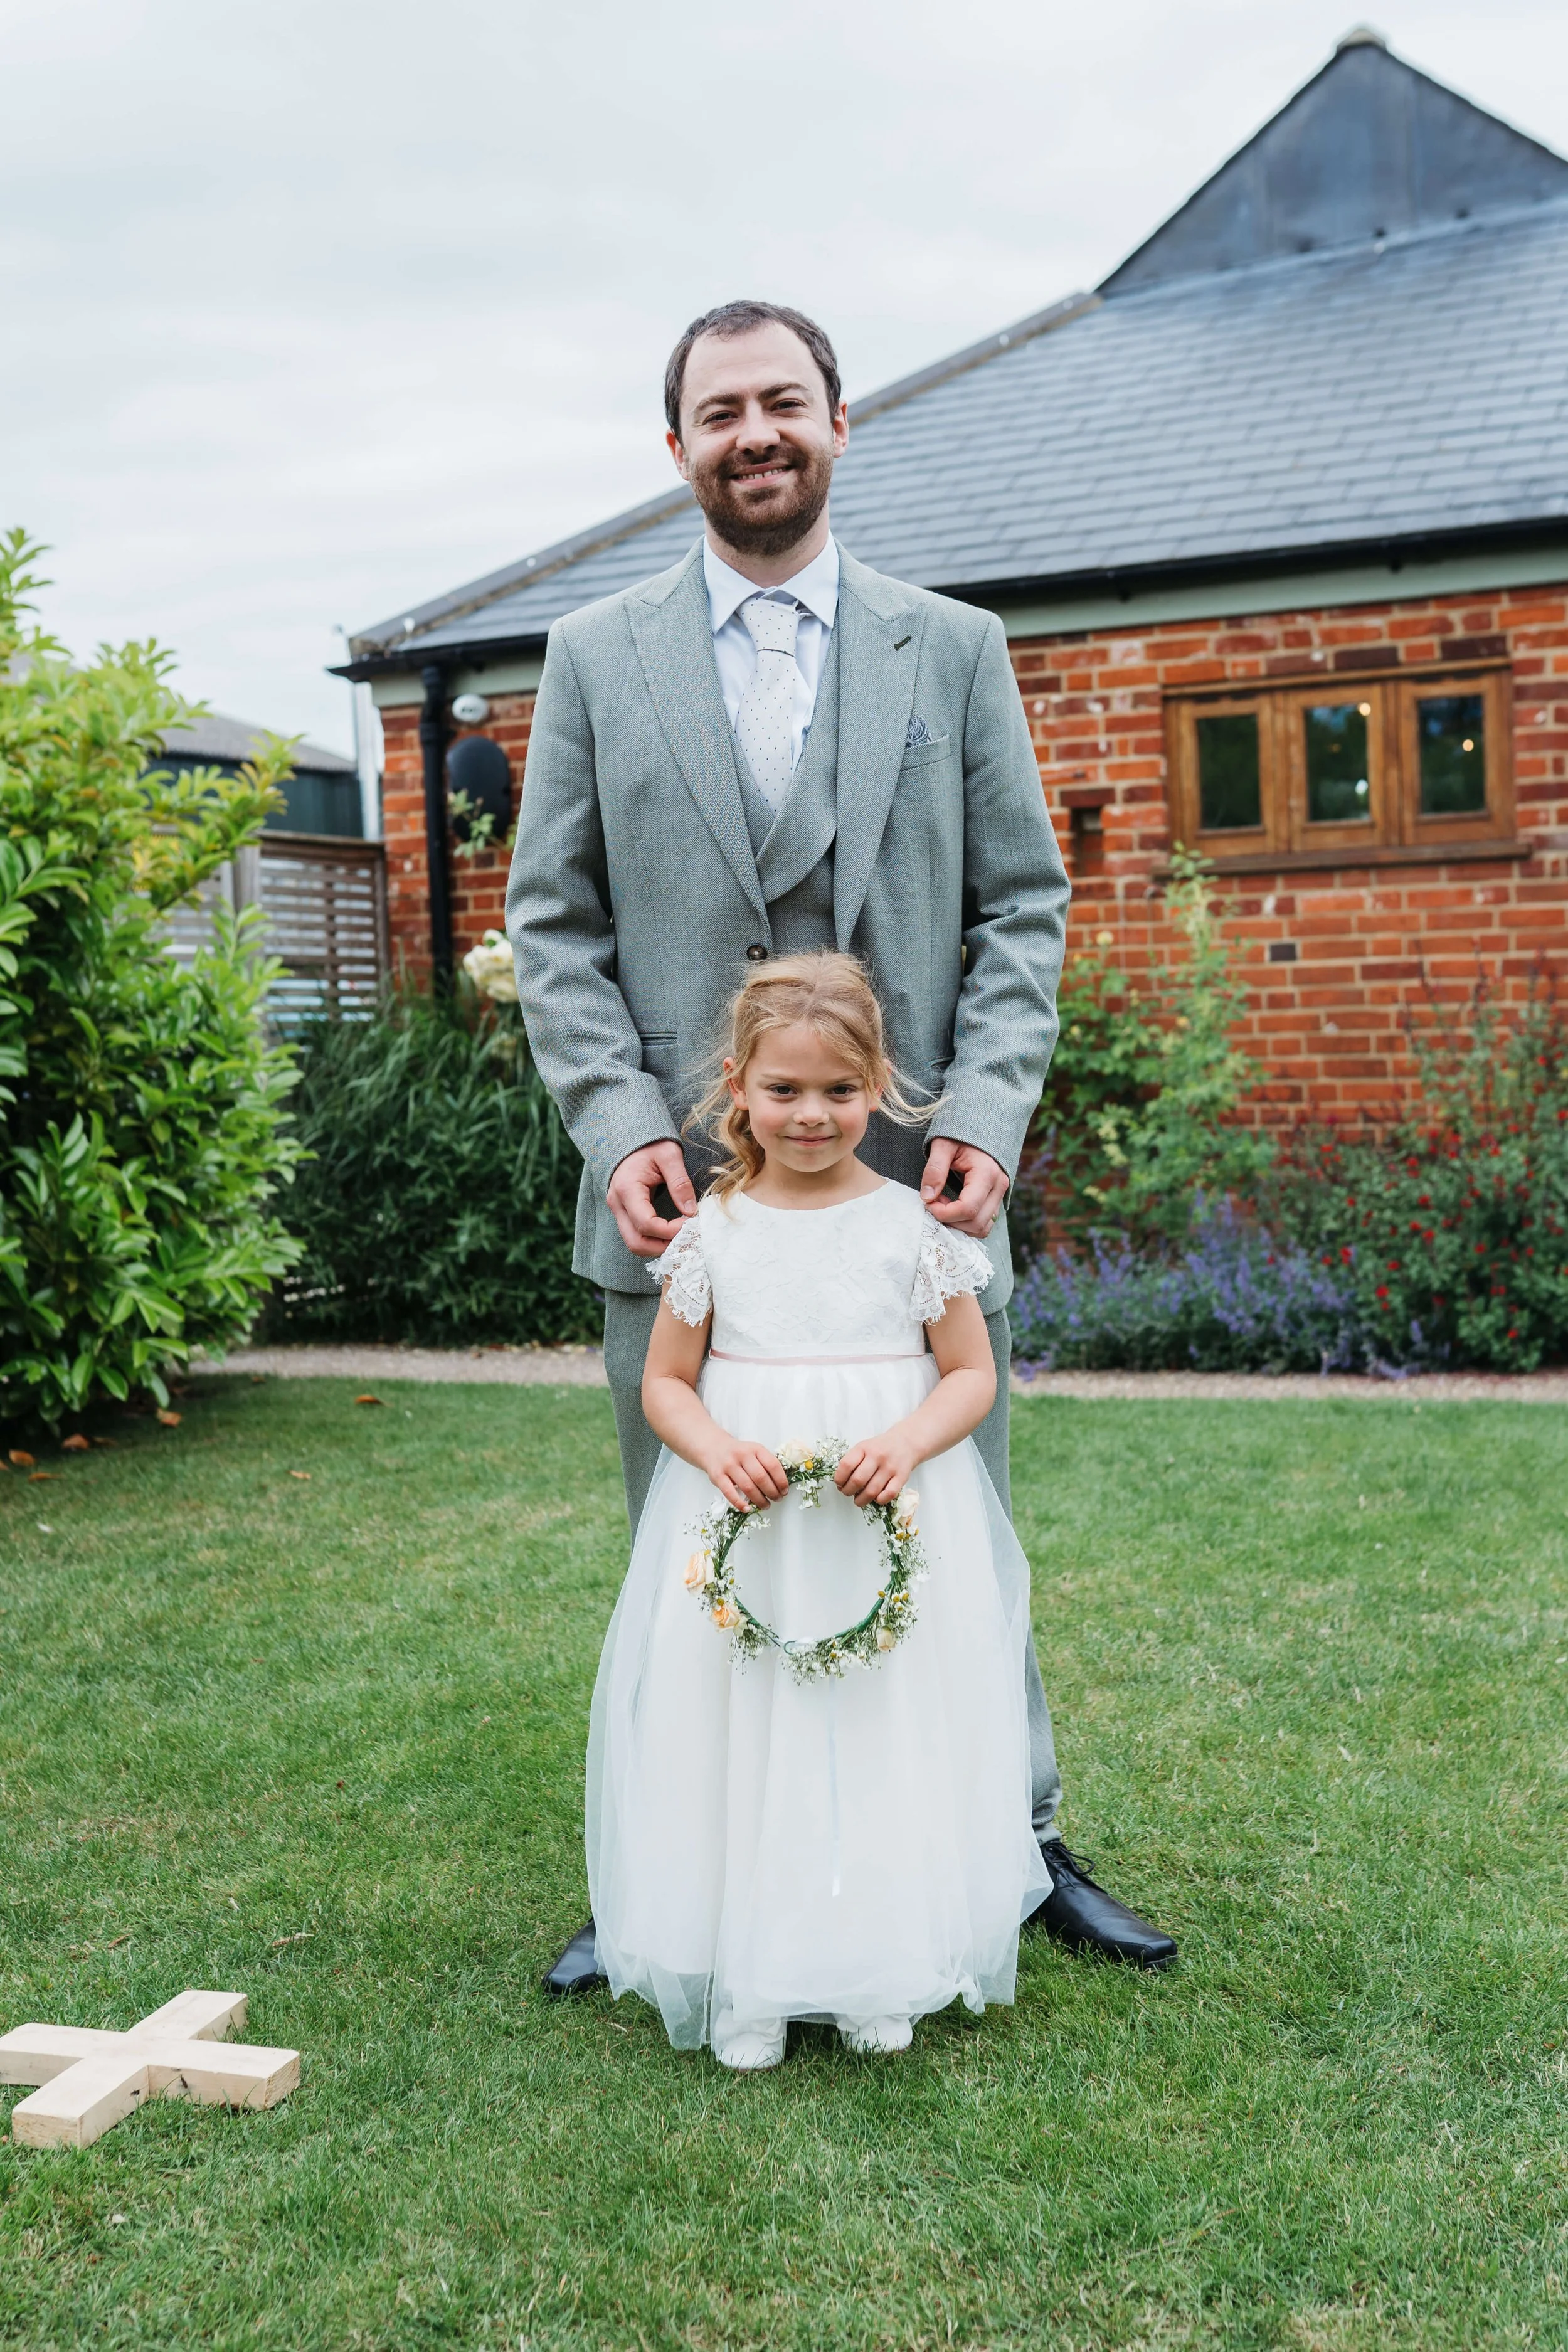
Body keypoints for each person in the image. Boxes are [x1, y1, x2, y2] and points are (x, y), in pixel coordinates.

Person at [507, 297, 1175, 1986]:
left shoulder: (948, 646)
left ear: (836, 421)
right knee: (685, 1544)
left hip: (912, 1201)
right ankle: (671, 1874)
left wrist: (992, 1123)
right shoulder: (592, 658)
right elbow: (553, 923)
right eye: (720, 408)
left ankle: (1007, 1846)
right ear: (676, 447)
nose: (755, 431)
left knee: (963, 1534)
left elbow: (1023, 902)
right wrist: (612, 1132)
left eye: (783, 401)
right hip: (686, 1218)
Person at [590, 953, 1049, 2068]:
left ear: (880, 1086)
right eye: (785, 1090)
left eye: (840, 1091)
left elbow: (971, 1374)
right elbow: (663, 1382)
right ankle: (748, 1972)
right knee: (748, 1727)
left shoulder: (916, 1228)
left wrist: (903, 1441)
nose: (812, 1114)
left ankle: (875, 1960)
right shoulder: (713, 1231)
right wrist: (716, 1448)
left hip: (878, 1502)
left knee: (877, 1720)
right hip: (750, 1518)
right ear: (737, 1088)